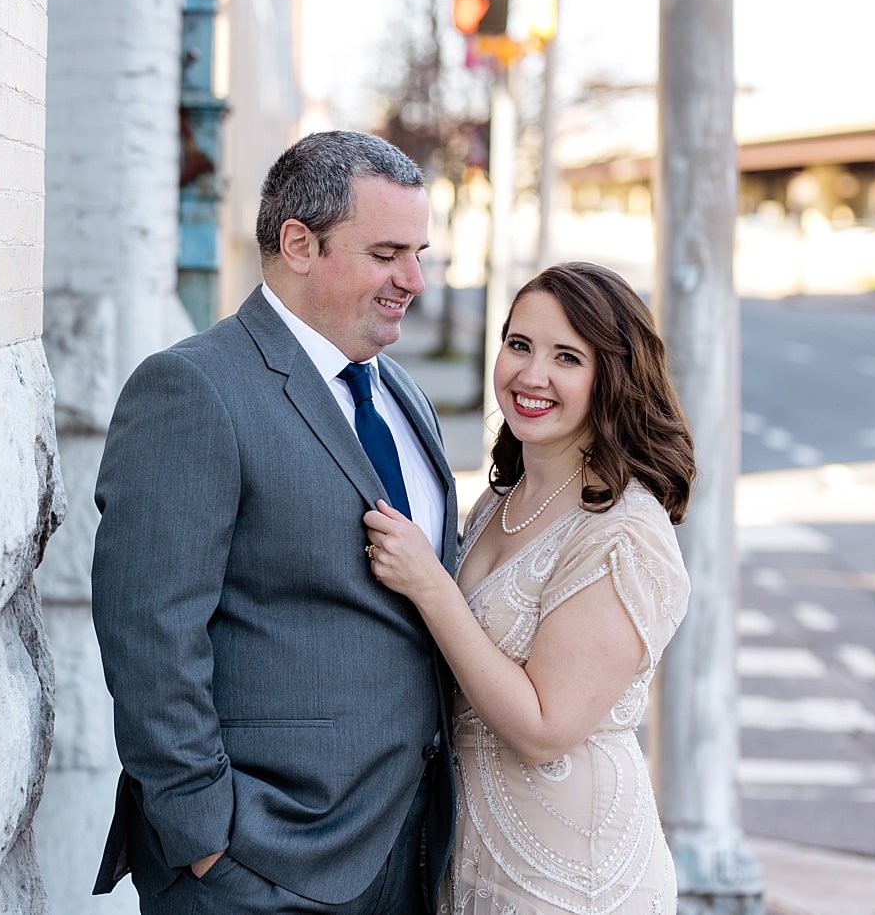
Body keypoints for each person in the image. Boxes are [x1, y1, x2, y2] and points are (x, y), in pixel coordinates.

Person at [90, 130, 461, 914]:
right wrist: (204, 838)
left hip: (407, 848)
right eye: (387, 253)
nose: (414, 280)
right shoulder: (193, 389)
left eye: (419, 252)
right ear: (299, 243)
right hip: (258, 863)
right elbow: (149, 630)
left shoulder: (401, 395)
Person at [362, 261, 696, 914]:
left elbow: (546, 727)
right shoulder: (500, 500)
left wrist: (430, 586)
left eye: (566, 357)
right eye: (519, 345)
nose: (530, 375)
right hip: (475, 864)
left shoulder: (623, 532)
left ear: (613, 379)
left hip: (573, 880)